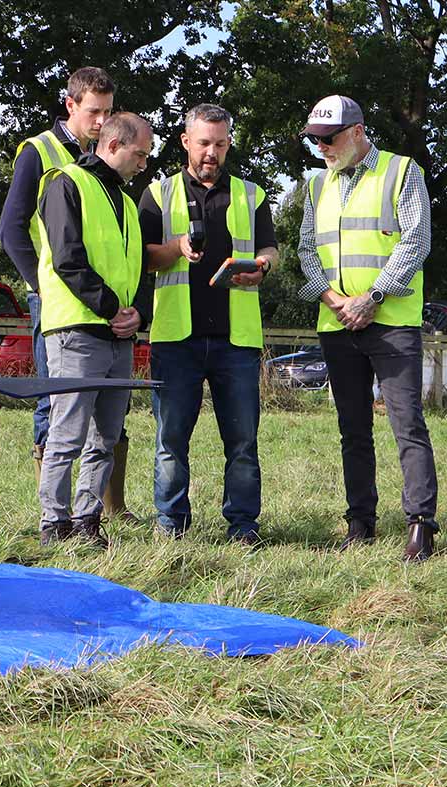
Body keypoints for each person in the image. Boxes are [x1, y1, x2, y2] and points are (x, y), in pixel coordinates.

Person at [296, 94, 439, 560]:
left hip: (391, 322)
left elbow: (416, 241)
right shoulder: (317, 186)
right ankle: (360, 522)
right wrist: (333, 298)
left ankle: (420, 525)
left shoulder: (401, 172)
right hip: (336, 322)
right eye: (315, 141)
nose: (322, 148)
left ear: (357, 131)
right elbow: (305, 251)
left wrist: (373, 297)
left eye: (329, 138)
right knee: (351, 427)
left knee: (407, 424)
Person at [0, 66, 138, 521]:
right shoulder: (40, 152)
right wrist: (40, 286)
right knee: (58, 411)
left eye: (109, 112)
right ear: (70, 105)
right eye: (94, 111)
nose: (101, 120)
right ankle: (52, 515)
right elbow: (11, 229)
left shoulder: (112, 175)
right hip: (62, 300)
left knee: (106, 419)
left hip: (106, 311)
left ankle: (99, 510)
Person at [139, 104, 278, 546]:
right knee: (170, 440)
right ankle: (171, 526)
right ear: (185, 142)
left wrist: (262, 268)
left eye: (220, 143)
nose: (211, 153)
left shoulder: (252, 194)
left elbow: (270, 250)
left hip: (235, 339)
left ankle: (243, 527)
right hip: (175, 338)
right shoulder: (157, 194)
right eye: (203, 143)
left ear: (229, 143)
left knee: (242, 443)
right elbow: (142, 258)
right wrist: (177, 248)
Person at [34, 112, 153, 547]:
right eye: (140, 154)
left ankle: (87, 521)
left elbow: (139, 269)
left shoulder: (125, 201)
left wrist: (139, 312)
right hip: (77, 329)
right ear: (115, 145)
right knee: (67, 433)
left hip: (118, 334)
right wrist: (109, 308)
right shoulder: (65, 183)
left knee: (107, 435)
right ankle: (54, 524)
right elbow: (68, 258)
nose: (144, 164)